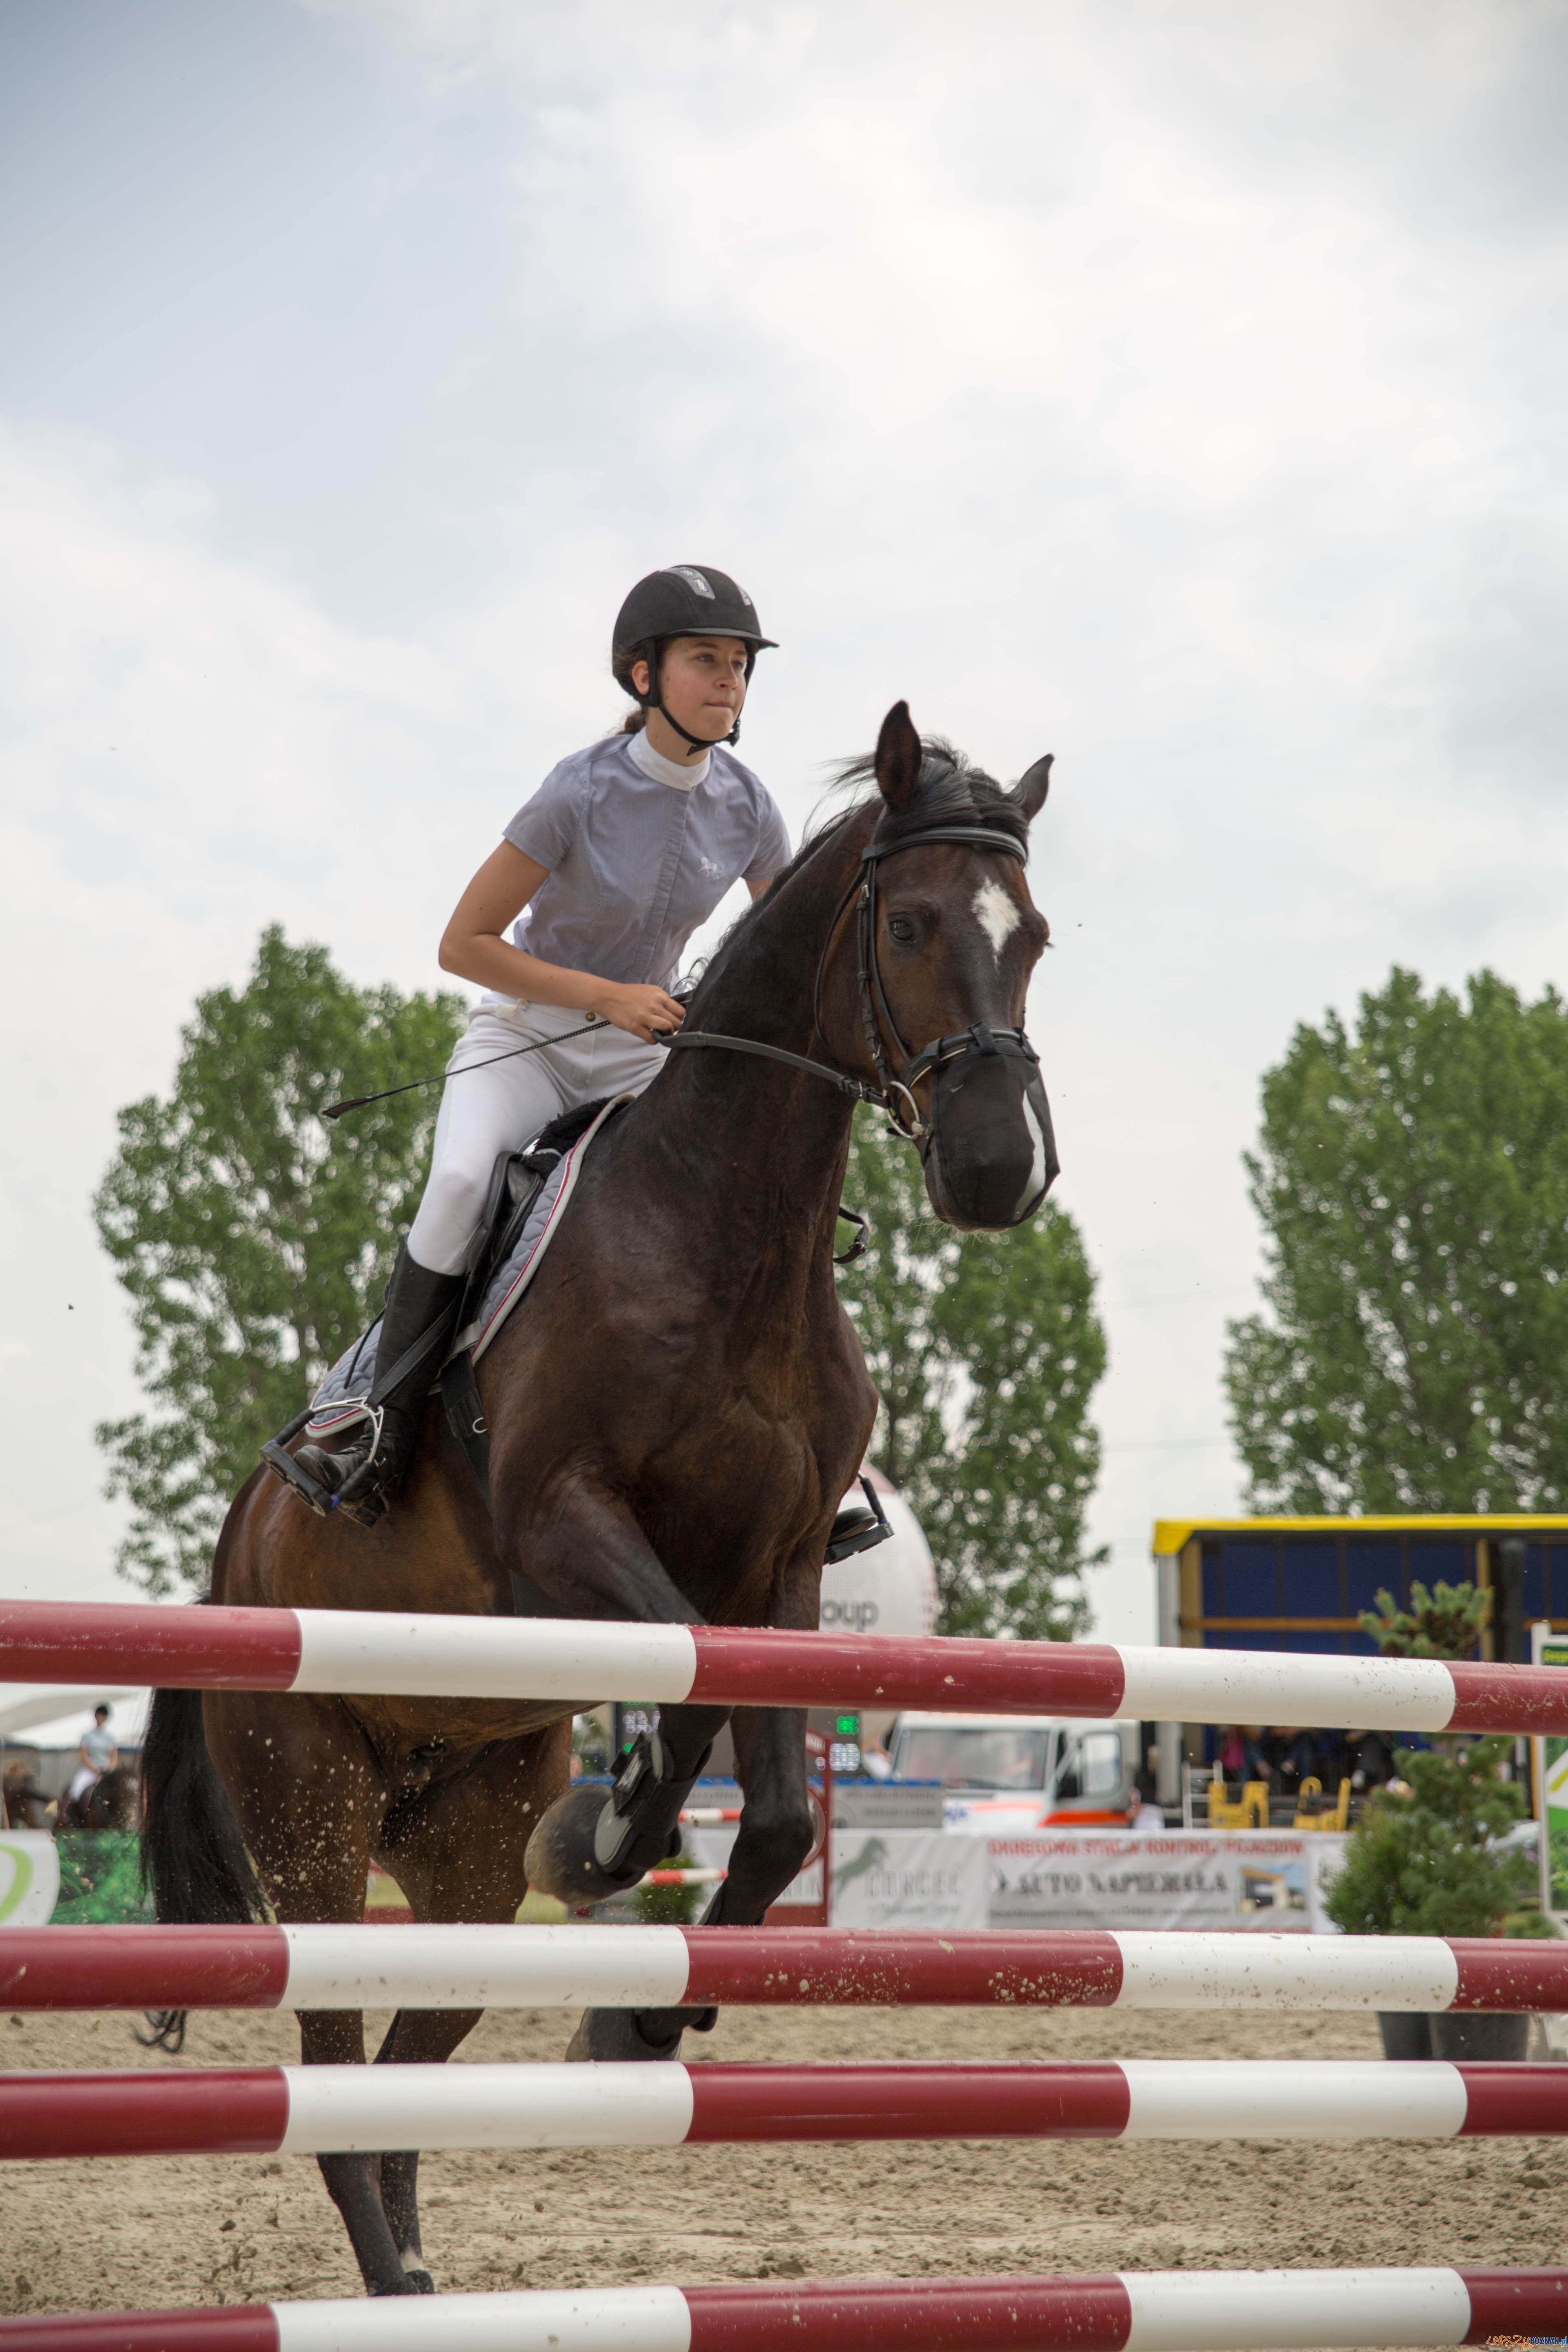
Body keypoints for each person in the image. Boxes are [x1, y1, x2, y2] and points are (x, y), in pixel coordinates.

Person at [285, 566, 788, 1526]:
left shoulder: (750, 806)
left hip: (645, 1057)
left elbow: (787, 941)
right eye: (705, 662)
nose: (727, 681)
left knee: (747, 1206)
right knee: (463, 1185)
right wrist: (608, 995)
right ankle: (372, 1414)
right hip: (530, 1043)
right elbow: (462, 944)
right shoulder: (578, 790)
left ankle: (804, 1456)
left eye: (738, 666)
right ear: (642, 675)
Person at [67, 1705, 117, 1810]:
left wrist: (109, 1769)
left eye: (104, 1716)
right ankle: (72, 1816)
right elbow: (83, 1755)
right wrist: (94, 1768)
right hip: (90, 1770)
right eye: (99, 1715)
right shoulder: (87, 1735)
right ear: (95, 1717)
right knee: (76, 1791)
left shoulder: (110, 1737)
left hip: (105, 1770)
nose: (101, 1718)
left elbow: (114, 1756)